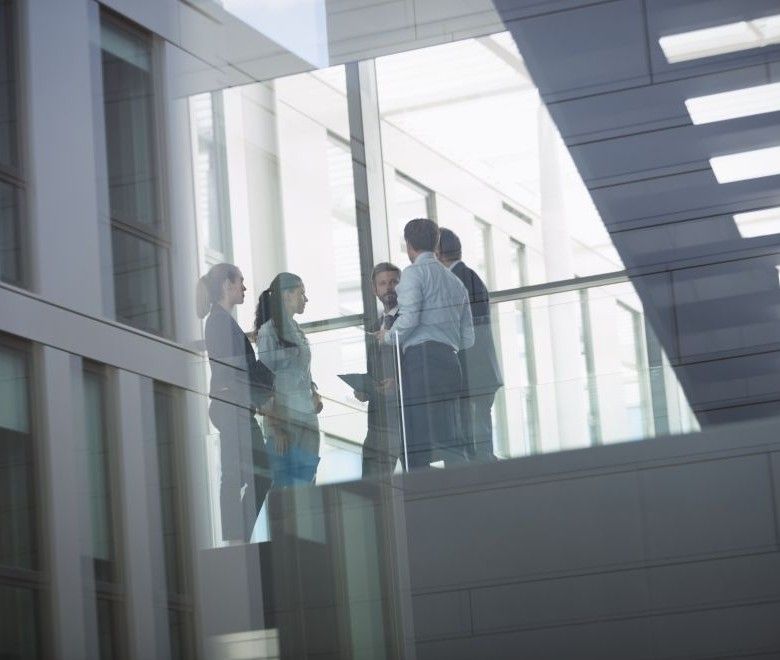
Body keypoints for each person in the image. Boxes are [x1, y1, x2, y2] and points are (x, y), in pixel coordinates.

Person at [378, 218, 474, 469]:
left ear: (409, 245)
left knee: (417, 445)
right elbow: (469, 338)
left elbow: (409, 318)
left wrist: (387, 337)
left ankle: (424, 502)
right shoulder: (456, 283)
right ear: (436, 243)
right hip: (451, 363)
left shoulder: (413, 274)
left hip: (420, 363)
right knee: (450, 438)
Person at [196, 263, 274, 543]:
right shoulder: (218, 320)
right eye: (240, 282)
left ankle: (236, 536)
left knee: (243, 471)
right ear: (227, 284)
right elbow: (232, 366)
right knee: (248, 471)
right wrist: (264, 378)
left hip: (232, 405)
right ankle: (236, 536)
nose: (244, 287)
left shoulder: (221, 320)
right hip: (232, 405)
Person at [436, 228, 503, 461]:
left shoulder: (459, 280)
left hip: (473, 373)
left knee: (477, 446)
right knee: (475, 440)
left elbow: (466, 327)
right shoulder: (467, 276)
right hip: (477, 371)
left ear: (438, 252)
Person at [255, 273, 322, 487]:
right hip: (284, 420)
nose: (306, 299)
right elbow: (264, 383)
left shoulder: (297, 330)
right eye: (301, 293)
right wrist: (276, 428)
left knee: (307, 483)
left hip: (307, 419)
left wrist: (315, 392)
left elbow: (303, 371)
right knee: (285, 489)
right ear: (286, 295)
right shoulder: (268, 332)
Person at [355, 262, 403, 478]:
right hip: (377, 423)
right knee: (372, 488)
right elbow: (373, 370)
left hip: (404, 420)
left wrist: (398, 383)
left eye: (393, 282)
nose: (389, 287)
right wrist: (364, 389)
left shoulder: (409, 320)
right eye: (383, 283)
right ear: (375, 290)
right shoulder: (374, 326)